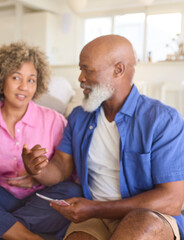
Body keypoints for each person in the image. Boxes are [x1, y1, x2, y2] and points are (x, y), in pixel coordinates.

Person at [23, 34, 184, 240]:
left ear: (118, 70)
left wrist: (96, 209)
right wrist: (38, 169)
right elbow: (61, 167)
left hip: (148, 215)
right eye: (80, 69)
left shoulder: (163, 120)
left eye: (87, 70)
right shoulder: (79, 117)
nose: (80, 78)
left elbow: (171, 199)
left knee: (140, 227)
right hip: (94, 216)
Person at [0, 42, 82, 240]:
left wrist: (38, 173)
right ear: (0, 79)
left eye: (31, 80)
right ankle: (28, 237)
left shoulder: (55, 121)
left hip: (41, 198)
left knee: (73, 191)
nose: (24, 87)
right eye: (16, 78)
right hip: (1, 197)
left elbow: (66, 174)